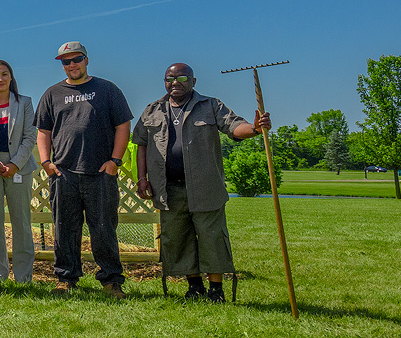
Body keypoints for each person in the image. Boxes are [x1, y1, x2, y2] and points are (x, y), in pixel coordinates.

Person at [134, 63, 269, 302]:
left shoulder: (210, 106)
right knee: (178, 239)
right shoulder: (152, 110)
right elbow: (141, 145)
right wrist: (142, 178)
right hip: (168, 189)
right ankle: (194, 287)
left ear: (194, 82)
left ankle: (216, 290)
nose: (175, 82)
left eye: (182, 77)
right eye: (169, 78)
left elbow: (235, 127)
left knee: (212, 238)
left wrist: (255, 129)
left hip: (206, 187)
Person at [35, 41, 133, 299]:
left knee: (103, 228)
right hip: (63, 173)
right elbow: (43, 132)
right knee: (64, 229)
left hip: (100, 173)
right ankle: (66, 278)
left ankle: (111, 281)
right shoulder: (52, 94)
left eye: (76, 59)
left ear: (87, 60)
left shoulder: (107, 89)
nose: (71, 64)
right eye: (66, 61)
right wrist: (47, 162)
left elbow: (123, 126)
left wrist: (115, 161)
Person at [0, 60, 39, 285]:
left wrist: (15, 164)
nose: (0, 79)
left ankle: (23, 278)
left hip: (19, 168)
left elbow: (29, 137)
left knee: (22, 223)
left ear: (11, 77)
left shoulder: (25, 103)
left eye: (5, 74)